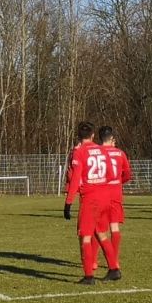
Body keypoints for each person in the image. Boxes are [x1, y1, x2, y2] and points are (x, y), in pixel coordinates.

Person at [64, 122, 120, 285]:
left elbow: (75, 178)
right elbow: (112, 173)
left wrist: (68, 202)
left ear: (78, 136)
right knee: (101, 233)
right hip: (105, 196)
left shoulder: (79, 152)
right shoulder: (103, 150)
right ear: (93, 135)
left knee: (85, 237)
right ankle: (114, 269)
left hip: (90, 199)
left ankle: (89, 276)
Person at [100, 128, 131, 278]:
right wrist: (118, 181)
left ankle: (93, 262)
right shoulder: (120, 153)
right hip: (116, 193)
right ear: (112, 138)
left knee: (99, 229)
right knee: (114, 226)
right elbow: (128, 175)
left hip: (100, 193)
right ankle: (115, 260)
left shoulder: (97, 153)